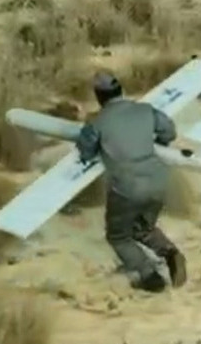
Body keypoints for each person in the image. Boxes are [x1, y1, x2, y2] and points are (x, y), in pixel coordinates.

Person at [76, 72, 184, 294]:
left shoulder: (97, 122)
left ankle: (149, 276)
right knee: (143, 228)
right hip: (158, 179)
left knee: (118, 236)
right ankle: (171, 253)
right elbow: (169, 132)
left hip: (127, 187)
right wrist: (158, 142)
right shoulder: (145, 110)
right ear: (121, 90)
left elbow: (86, 152)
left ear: (99, 96)